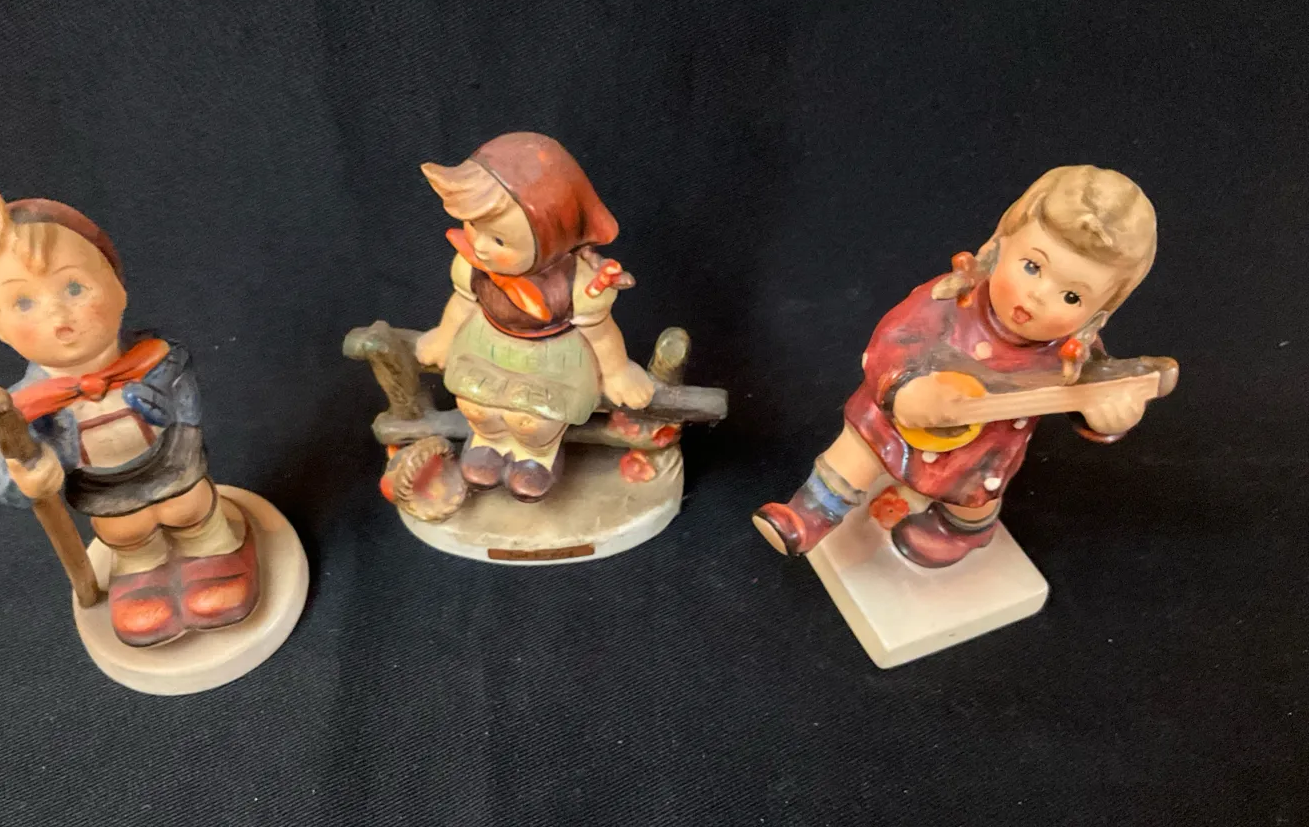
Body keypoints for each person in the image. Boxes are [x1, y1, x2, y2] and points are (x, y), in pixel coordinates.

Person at [754, 165, 1158, 567]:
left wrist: (1108, 415)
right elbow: (893, 341)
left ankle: (964, 531)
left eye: (1071, 297)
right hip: (892, 421)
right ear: (999, 245)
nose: (1037, 296)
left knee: (972, 496)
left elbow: (1095, 388)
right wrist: (906, 388)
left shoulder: (1071, 353)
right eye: (1032, 267)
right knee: (854, 452)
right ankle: (810, 514)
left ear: (1099, 313)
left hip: (980, 450)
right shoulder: (950, 298)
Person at [0, 182, 256, 646]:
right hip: (103, 487)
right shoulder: (22, 406)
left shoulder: (158, 358)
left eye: (74, 287)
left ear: (118, 287)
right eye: (24, 302)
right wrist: (27, 475)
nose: (58, 317)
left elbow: (187, 406)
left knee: (189, 509)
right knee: (126, 533)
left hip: (171, 464)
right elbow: (9, 473)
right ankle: (142, 573)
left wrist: (176, 423)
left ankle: (213, 551)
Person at [416, 132, 656, 501]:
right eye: (476, 228)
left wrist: (616, 372)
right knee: (475, 404)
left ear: (553, 236)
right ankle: (487, 442)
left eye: (500, 240)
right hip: (487, 342)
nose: (481, 247)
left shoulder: (576, 285)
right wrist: (445, 336)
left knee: (533, 420)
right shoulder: (472, 267)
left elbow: (600, 333)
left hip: (550, 356)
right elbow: (462, 305)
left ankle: (536, 456)